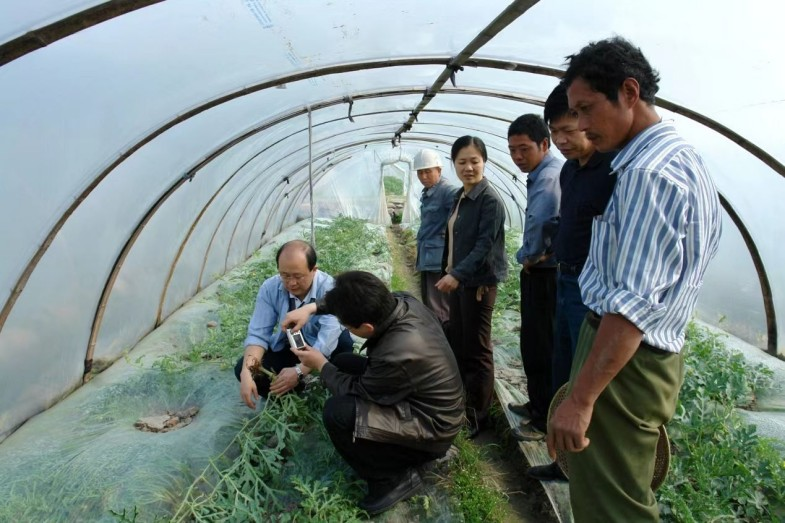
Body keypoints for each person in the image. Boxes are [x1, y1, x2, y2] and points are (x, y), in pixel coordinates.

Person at [548, 37, 722, 522]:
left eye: (586, 109)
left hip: (624, 360)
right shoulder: (676, 157)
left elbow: (631, 307)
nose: (580, 125)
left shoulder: (650, 173)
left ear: (629, 92)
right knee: (613, 490)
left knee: (613, 507)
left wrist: (580, 399)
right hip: (629, 355)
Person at [284, 271, 464, 515]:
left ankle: (391, 481)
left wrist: (321, 365)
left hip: (433, 428)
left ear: (367, 327)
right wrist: (312, 308)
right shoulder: (402, 302)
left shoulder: (398, 351)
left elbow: (360, 391)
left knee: (338, 413)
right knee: (346, 361)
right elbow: (347, 299)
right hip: (423, 401)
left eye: (346, 325)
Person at [525, 83, 617, 482]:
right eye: (555, 131)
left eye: (569, 128)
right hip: (566, 280)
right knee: (562, 367)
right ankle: (563, 463)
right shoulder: (569, 170)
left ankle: (590, 467)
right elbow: (570, 220)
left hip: (592, 291)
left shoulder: (613, 169)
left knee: (586, 378)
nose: (562, 139)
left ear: (587, 121)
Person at [435, 135, 507, 439]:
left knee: (478, 349)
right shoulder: (460, 196)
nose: (468, 167)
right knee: (460, 341)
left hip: (478, 284)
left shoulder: (489, 200)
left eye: (474, 161)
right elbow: (451, 237)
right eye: (462, 162)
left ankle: (480, 417)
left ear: (484, 162)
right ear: (454, 164)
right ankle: (463, 401)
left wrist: (457, 275)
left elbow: (483, 247)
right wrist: (447, 270)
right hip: (461, 282)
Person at [234, 240, 353, 408]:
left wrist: (300, 371)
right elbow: (258, 335)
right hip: (294, 343)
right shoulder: (270, 288)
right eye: (285, 275)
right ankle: (294, 396)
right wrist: (247, 371)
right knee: (246, 368)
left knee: (344, 355)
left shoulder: (330, 288)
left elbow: (328, 337)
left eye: (298, 276)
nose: (291, 283)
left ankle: (317, 384)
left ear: (314, 270)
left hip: (327, 348)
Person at [506, 114, 563, 441]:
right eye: (512, 150)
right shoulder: (542, 173)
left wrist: (529, 257)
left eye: (524, 149)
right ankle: (538, 404)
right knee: (534, 342)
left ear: (545, 144)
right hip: (540, 271)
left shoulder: (548, 176)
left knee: (543, 345)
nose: (517, 157)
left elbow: (543, 221)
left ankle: (544, 420)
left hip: (545, 274)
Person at [413, 148, 457, 328]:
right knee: (431, 304)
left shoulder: (448, 192)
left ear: (439, 170)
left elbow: (458, 224)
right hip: (428, 257)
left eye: (428, 171)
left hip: (439, 260)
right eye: (420, 172)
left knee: (439, 307)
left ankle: (444, 344)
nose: (423, 176)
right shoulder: (429, 192)